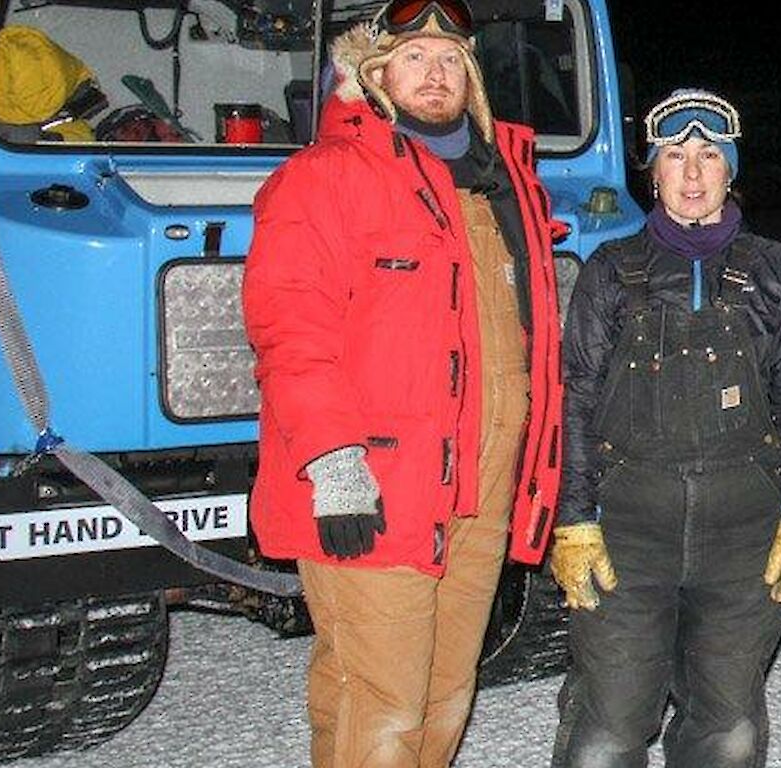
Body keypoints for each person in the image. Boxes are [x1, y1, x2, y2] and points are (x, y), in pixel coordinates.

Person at [241, 0, 567, 764]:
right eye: (414, 57)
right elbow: (290, 331)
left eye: (451, 59)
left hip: (481, 493)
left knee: (446, 690)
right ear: (373, 74)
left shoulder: (503, 188)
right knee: (379, 701)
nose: (436, 73)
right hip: (373, 484)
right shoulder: (324, 178)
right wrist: (334, 463)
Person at [547, 89, 781, 767]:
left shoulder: (775, 270)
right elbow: (575, 400)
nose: (694, 172)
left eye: (710, 155)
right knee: (607, 734)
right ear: (653, 172)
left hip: (742, 535)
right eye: (676, 156)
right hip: (628, 531)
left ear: (731, 170)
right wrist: (575, 520)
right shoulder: (611, 271)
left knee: (729, 731)